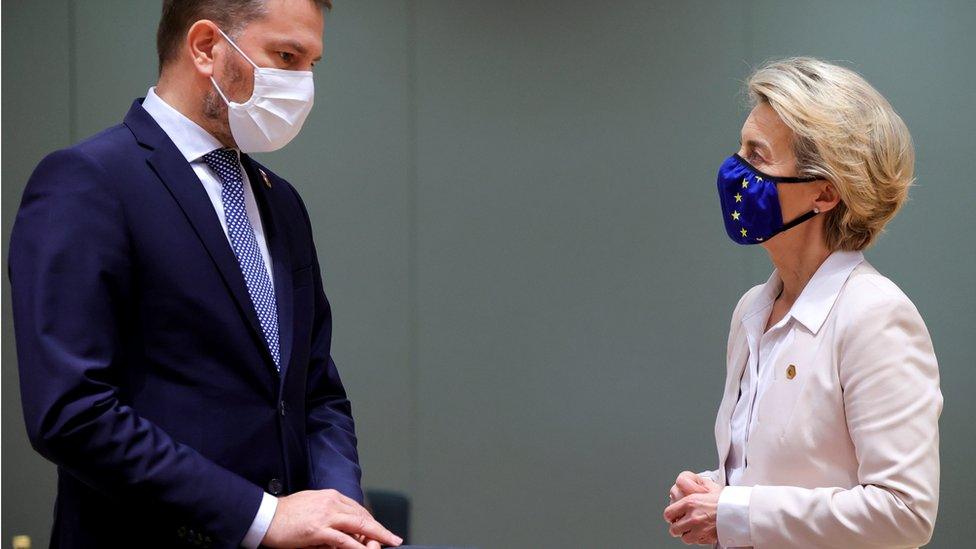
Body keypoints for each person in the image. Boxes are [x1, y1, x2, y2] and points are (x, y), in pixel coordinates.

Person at [8, 1, 402, 548]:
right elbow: (72, 413)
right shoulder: (89, 181)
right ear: (206, 47)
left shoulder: (280, 201)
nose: (302, 84)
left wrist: (339, 515)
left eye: (312, 64)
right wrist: (261, 517)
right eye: (287, 56)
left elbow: (314, 390)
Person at [663, 58, 942, 548]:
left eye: (758, 154)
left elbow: (905, 512)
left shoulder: (875, 316)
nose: (734, 170)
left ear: (825, 193)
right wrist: (714, 492)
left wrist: (734, 510)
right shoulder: (753, 307)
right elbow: (783, 476)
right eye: (740, 147)